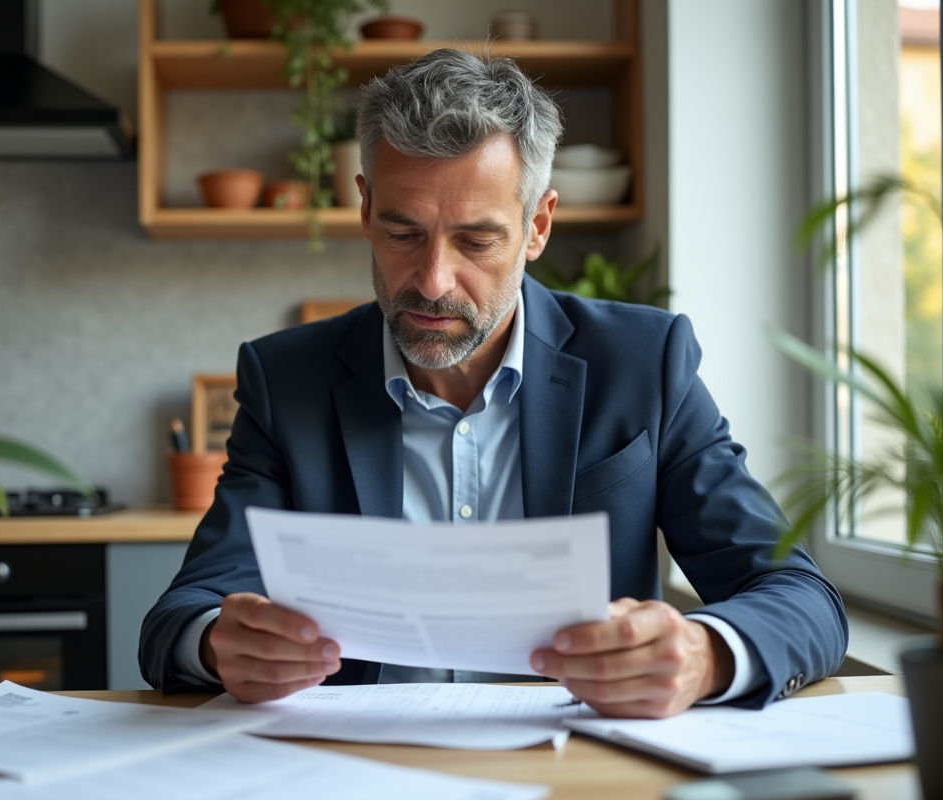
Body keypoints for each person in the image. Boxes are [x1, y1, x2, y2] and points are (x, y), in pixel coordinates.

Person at [140, 48, 847, 718]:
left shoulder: (643, 363)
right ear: (363, 209)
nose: (432, 281)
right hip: (359, 771)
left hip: (577, 767)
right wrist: (216, 643)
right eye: (402, 232)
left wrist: (703, 655)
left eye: (476, 241)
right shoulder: (284, 379)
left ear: (537, 225)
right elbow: (182, 613)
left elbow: (799, 595)